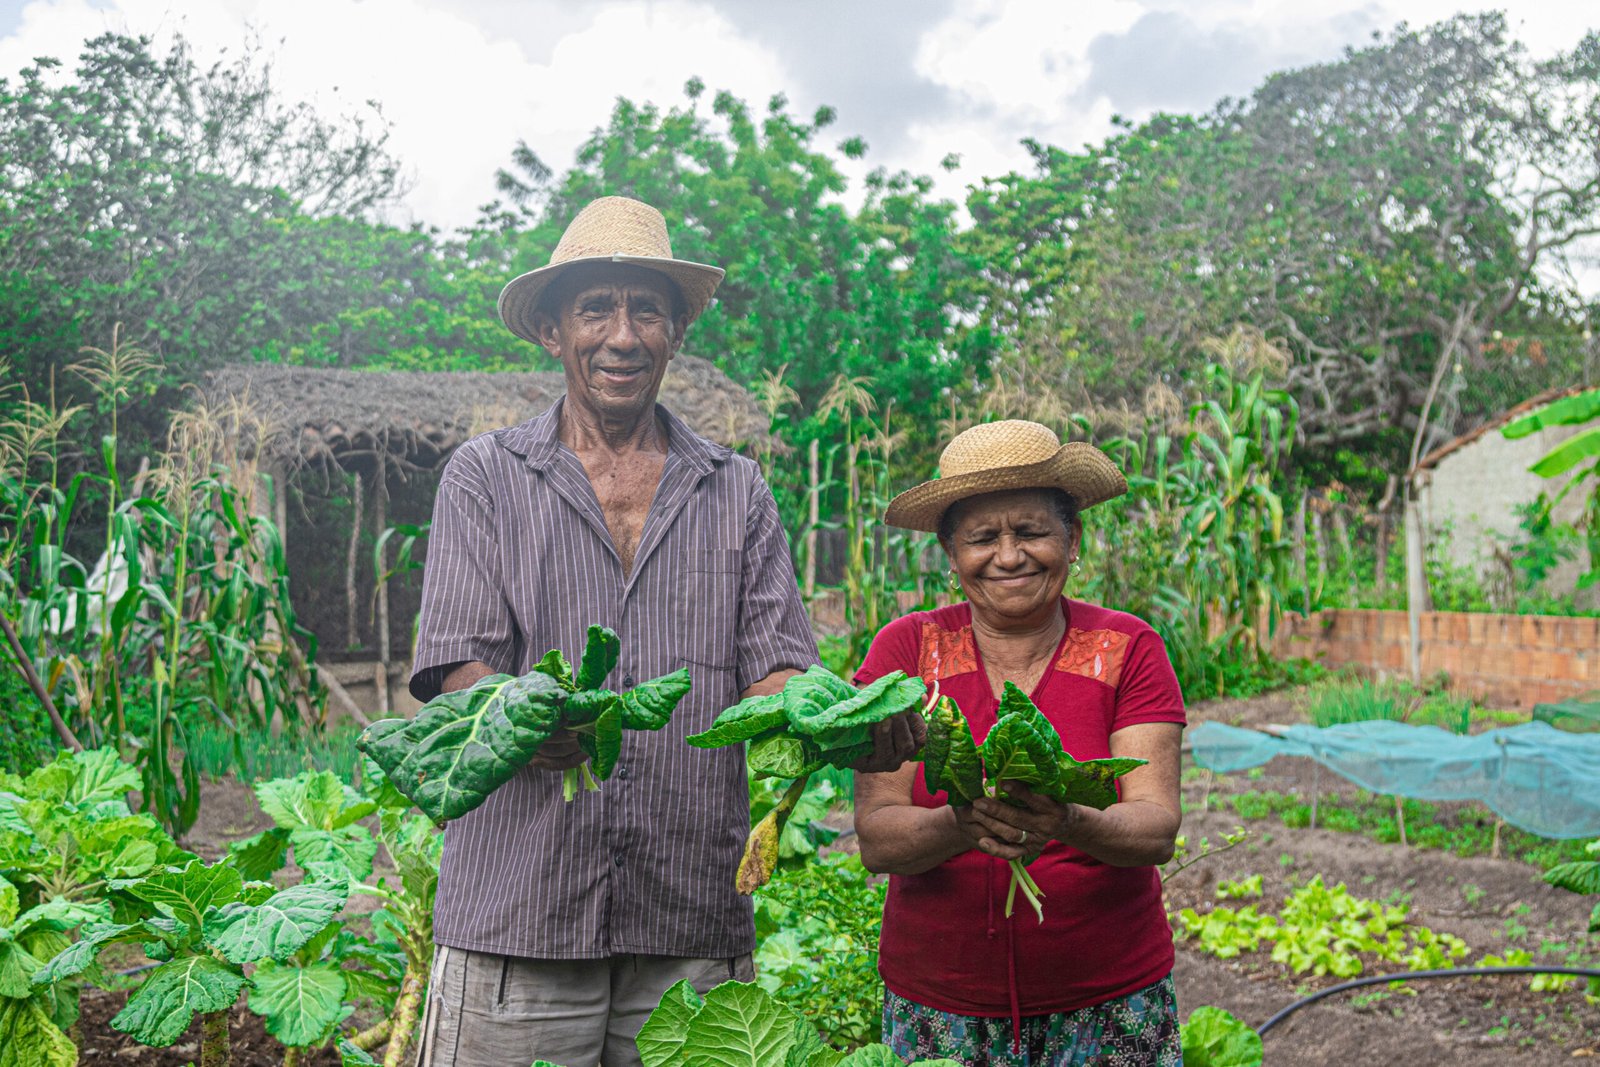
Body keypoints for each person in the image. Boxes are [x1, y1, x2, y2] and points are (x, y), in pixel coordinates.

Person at [407, 196, 920, 1067]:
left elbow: (774, 670)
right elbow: (460, 664)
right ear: (551, 329)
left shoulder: (735, 488)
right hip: (518, 910)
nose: (622, 334)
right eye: (595, 308)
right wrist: (528, 724)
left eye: (646, 308)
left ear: (675, 330)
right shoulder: (486, 478)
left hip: (687, 913)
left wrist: (839, 719)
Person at [852, 419, 1187, 1067]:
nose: (1009, 556)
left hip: (1109, 995)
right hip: (941, 1000)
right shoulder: (905, 650)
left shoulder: (1128, 647)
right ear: (951, 553)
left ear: (1073, 537)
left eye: (1031, 531)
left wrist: (1065, 817)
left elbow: (1155, 825)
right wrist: (965, 820)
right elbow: (878, 836)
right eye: (982, 537)